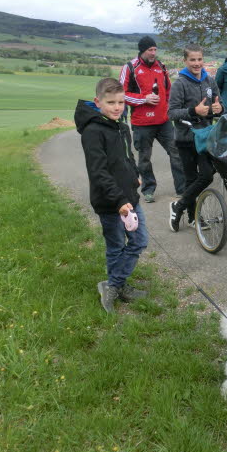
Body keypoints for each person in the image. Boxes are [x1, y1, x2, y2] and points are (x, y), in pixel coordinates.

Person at [74, 78, 148, 314]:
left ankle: (113, 285)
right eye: (111, 102)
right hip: (110, 202)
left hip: (130, 197)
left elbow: (127, 157)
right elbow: (98, 172)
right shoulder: (93, 132)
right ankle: (117, 285)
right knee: (116, 246)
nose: (117, 107)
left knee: (139, 241)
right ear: (98, 102)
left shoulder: (122, 127)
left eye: (121, 102)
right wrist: (118, 201)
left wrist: (136, 174)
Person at [119, 36, 186, 203]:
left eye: (155, 49)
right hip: (142, 123)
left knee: (176, 153)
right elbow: (121, 94)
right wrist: (144, 99)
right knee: (144, 159)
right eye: (150, 50)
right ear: (142, 50)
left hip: (163, 121)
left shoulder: (161, 67)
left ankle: (182, 189)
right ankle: (148, 189)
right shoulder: (130, 68)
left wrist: (170, 108)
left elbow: (168, 90)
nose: (153, 53)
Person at [167, 45, 223, 232]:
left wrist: (219, 109)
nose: (197, 63)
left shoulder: (209, 81)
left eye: (200, 59)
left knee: (207, 174)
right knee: (191, 179)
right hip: (185, 139)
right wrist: (193, 111)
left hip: (205, 136)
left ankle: (179, 205)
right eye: (192, 60)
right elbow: (172, 113)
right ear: (185, 61)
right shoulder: (179, 83)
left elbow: (218, 104)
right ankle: (193, 217)